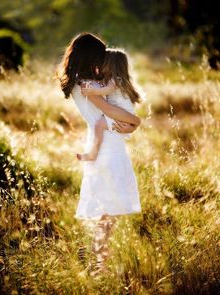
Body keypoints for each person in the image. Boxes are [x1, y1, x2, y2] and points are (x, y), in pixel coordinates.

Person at [57, 32, 142, 276]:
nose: (102, 60)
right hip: (107, 150)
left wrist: (126, 125)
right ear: (89, 55)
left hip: (107, 144)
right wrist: (135, 121)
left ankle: (97, 264)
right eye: (99, 54)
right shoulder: (85, 84)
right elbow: (108, 110)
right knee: (108, 214)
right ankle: (98, 267)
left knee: (109, 214)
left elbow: (111, 114)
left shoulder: (82, 81)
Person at [76, 48, 140, 161]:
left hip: (122, 115)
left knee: (98, 126)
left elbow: (106, 90)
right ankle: (92, 153)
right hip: (123, 114)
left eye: (104, 63)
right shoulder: (117, 80)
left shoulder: (116, 80)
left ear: (111, 65)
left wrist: (92, 91)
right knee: (99, 126)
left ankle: (92, 154)